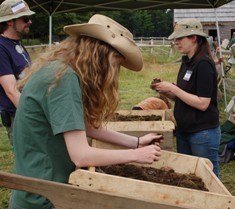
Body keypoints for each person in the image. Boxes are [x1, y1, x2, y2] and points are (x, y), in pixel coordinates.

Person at [10, 14, 163, 209]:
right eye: (117, 61)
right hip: (44, 196)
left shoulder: (60, 71)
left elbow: (82, 125)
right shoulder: (63, 79)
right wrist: (137, 155)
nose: (116, 70)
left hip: (42, 188)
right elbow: (81, 155)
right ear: (102, 53)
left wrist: (136, 142)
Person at [151, 18, 221, 177]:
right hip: (185, 129)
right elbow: (186, 96)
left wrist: (174, 89)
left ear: (194, 38)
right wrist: (168, 91)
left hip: (202, 132)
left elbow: (203, 103)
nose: (176, 42)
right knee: (188, 175)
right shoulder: (187, 62)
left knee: (207, 176)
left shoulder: (204, 64)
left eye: (180, 38)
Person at [0, 0, 35, 145]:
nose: (30, 22)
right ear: (9, 22)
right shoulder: (1, 48)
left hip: (26, 114)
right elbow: (11, 91)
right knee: (28, 163)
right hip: (19, 118)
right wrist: (34, 117)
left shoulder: (16, 44)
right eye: (25, 19)